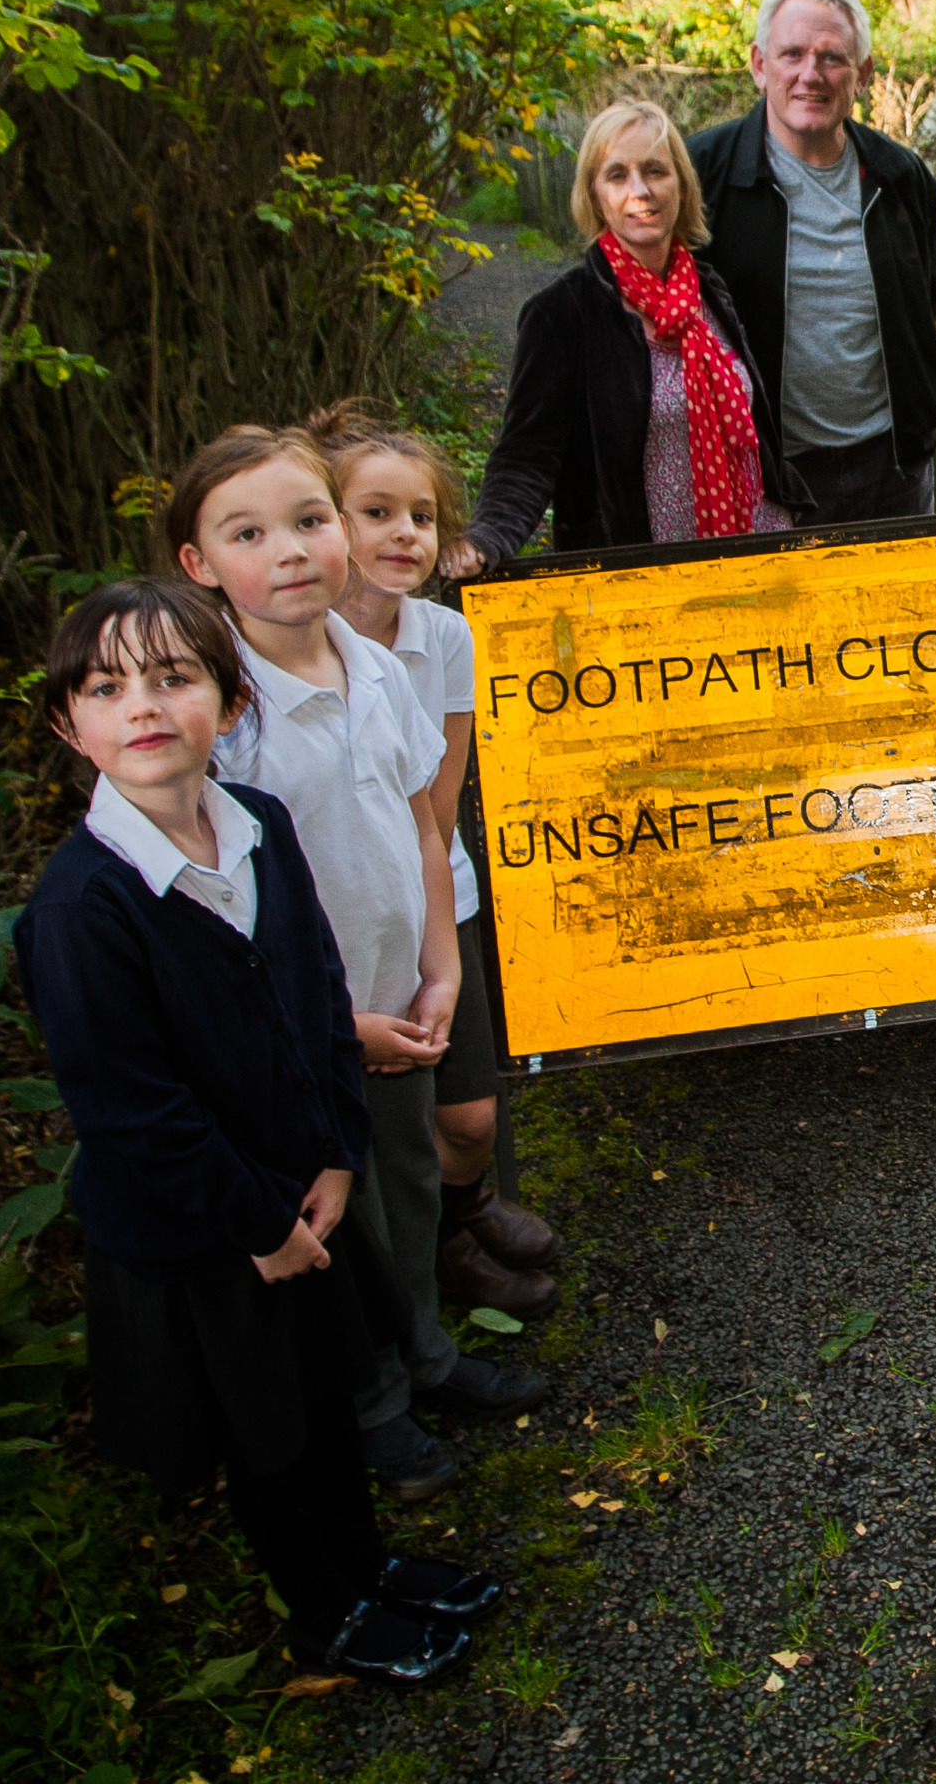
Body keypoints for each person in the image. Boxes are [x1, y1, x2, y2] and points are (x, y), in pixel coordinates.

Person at [18, 578, 501, 1687]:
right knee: (267, 1435)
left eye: (174, 678)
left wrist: (336, 1151)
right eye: (107, 687)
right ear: (70, 725)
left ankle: (371, 1565)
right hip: (209, 1235)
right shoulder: (83, 909)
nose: (143, 706)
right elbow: (131, 1111)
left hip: (305, 1185)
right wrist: (260, 1224)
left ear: (231, 707)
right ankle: (325, 1611)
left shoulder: (261, 828)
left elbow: (312, 993)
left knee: (328, 1394)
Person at [167, 426, 545, 1502]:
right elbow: (223, 912)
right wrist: (338, 1026)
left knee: (415, 1182)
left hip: (402, 992)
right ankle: (373, 1399)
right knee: (346, 1215)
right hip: (301, 1027)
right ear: (199, 565)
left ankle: (427, 1350)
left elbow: (425, 828)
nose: (289, 552)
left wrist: (441, 971)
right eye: (250, 533)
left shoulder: (377, 665)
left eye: (307, 521)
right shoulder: (219, 716)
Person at [316, 404, 563, 1320]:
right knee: (384, 1133)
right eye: (375, 512)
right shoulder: (293, 651)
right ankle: (429, 1265)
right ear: (329, 521)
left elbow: (439, 801)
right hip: (346, 918)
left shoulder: (444, 636)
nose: (404, 534)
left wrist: (442, 943)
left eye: (420, 516)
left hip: (437, 904)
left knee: (468, 1118)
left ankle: (466, 1213)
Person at [453, 102, 804, 571]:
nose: (640, 190)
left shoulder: (709, 291)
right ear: (595, 195)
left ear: (681, 182)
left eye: (656, 170)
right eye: (617, 175)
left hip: (756, 552)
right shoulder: (561, 314)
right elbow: (526, 454)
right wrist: (487, 539)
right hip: (642, 574)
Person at [687, 0, 936, 521]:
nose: (811, 74)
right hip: (762, 471)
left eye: (832, 58)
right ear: (761, 65)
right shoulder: (701, 176)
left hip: (892, 469)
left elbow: (922, 304)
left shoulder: (901, 178)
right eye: (793, 54)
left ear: (862, 75)